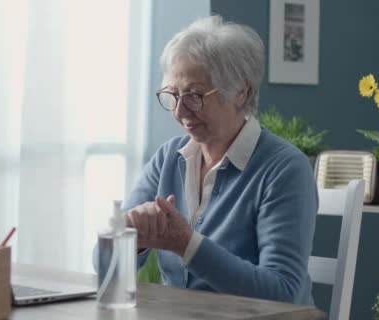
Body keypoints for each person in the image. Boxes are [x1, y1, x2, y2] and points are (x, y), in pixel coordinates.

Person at [124, 15, 316, 304]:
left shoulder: (285, 168)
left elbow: (282, 291)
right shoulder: (167, 159)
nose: (179, 112)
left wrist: (187, 245)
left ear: (240, 91)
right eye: (172, 95)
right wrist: (131, 239)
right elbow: (103, 267)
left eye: (194, 96)